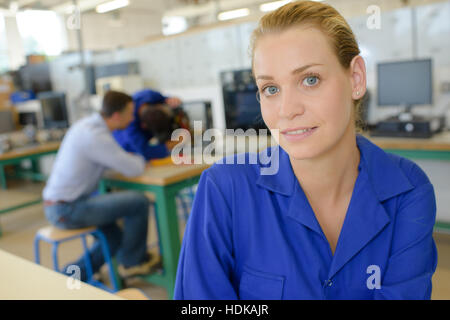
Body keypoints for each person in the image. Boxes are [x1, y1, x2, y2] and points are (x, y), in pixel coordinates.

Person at [174, 1, 438, 300]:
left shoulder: (407, 189)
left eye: (310, 80)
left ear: (356, 79)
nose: (287, 110)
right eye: (271, 89)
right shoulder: (225, 189)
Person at [43, 90, 159, 282]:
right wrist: (138, 159)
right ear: (116, 115)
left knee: (113, 239)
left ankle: (68, 279)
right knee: (138, 201)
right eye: (130, 113)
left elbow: (114, 161)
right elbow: (132, 168)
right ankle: (132, 262)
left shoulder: (88, 126)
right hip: (68, 208)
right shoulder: (95, 135)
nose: (132, 118)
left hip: (62, 204)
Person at [113, 88, 182, 161]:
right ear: (144, 126)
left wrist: (170, 100)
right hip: (127, 149)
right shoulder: (129, 127)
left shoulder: (149, 95)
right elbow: (145, 151)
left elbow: (165, 99)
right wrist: (173, 144)